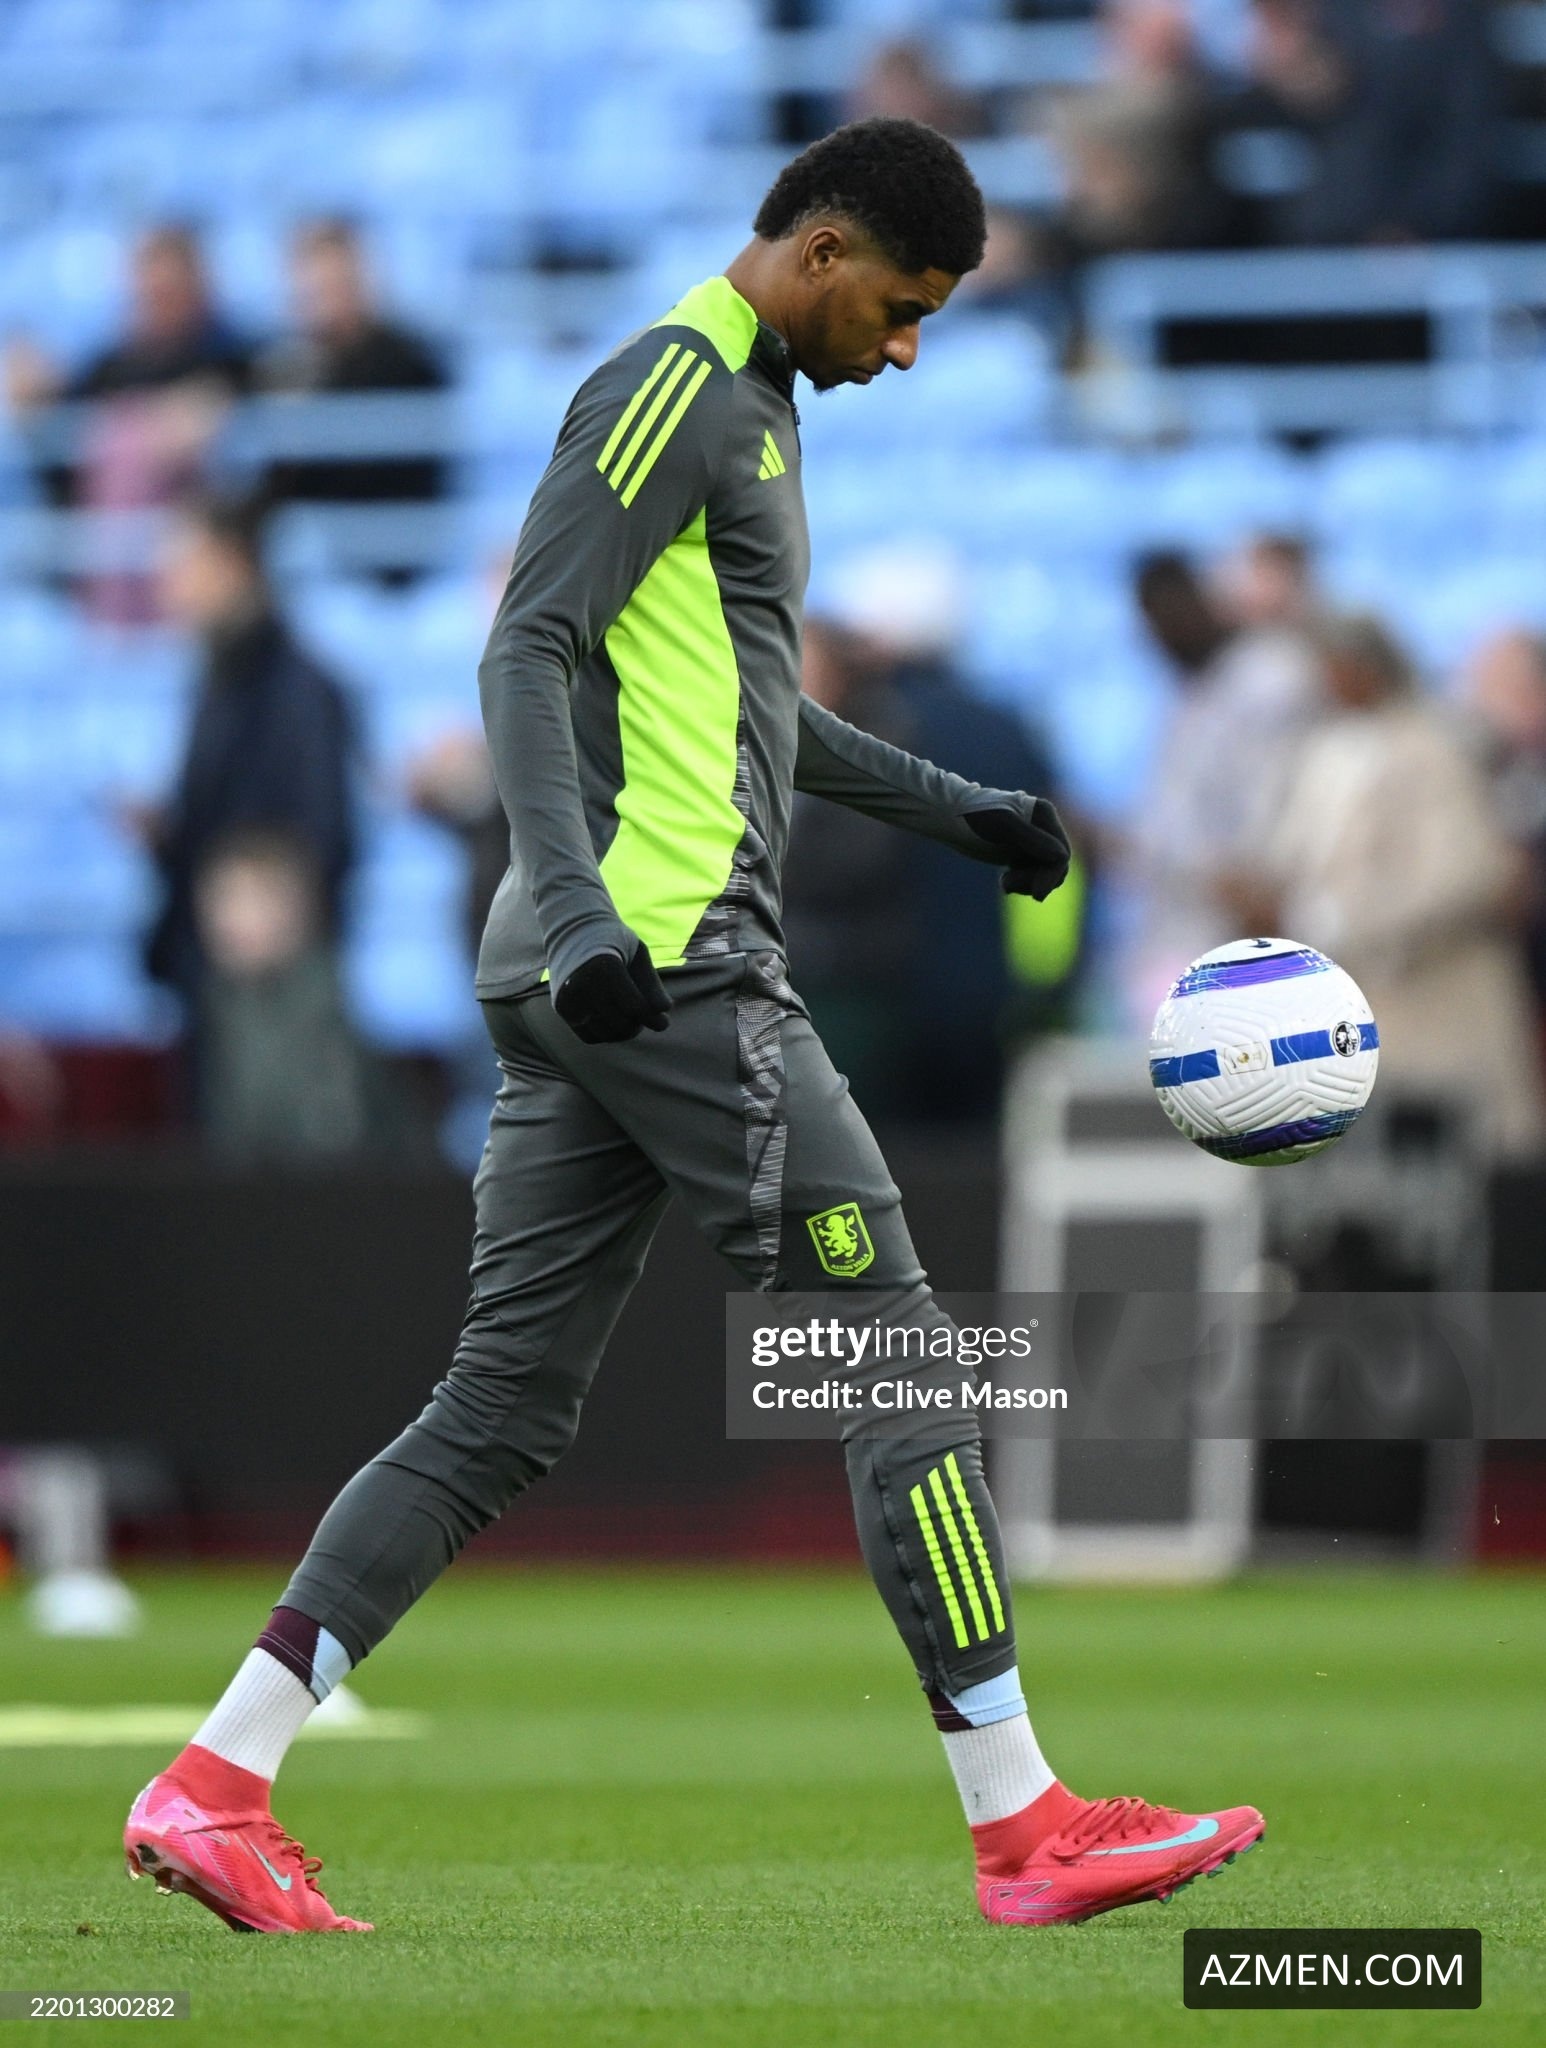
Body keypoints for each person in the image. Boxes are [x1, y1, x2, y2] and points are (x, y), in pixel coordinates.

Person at [123, 118, 1262, 1938]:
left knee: (499, 1403)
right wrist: (583, 909)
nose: (907, 348)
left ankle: (212, 1781)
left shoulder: (753, 410)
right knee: (897, 1358)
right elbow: (525, 647)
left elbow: (746, 708)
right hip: (663, 963)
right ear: (818, 251)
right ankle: (1023, 1822)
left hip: (596, 971)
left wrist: (961, 809)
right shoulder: (669, 386)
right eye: (899, 307)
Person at [1228, 613, 1546, 1158]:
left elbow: (1463, 876)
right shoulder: (1322, 752)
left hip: (1434, 1010)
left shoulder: (1431, 748)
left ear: (1365, 667)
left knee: (1455, 1171)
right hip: (1348, 1017)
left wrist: (1329, 921)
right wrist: (1264, 897)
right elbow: (1294, 859)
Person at [135, 495, 357, 1035]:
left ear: (232, 564)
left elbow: (323, 838)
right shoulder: (216, 679)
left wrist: (261, 902)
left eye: (184, 567)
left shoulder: (301, 692)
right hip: (212, 973)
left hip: (274, 988)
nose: (169, 588)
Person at [3, 225, 252, 622]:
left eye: (170, 286)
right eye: (150, 286)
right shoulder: (110, 366)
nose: (158, 296)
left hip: (196, 550)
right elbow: (67, 461)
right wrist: (38, 403)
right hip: (106, 555)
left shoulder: (232, 357)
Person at [1120, 548, 1319, 1027]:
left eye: (1173, 614)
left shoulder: (1269, 677)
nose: (1164, 634)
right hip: (1179, 929)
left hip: (1253, 931)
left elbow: (1280, 809)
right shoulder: (1190, 691)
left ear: (1204, 601)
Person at [255, 219, 450, 582]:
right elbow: (276, 485)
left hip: (397, 555)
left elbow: (399, 470)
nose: (328, 302)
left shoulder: (411, 361)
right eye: (316, 290)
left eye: (338, 285)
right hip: (312, 555)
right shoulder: (280, 368)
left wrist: (313, 406)